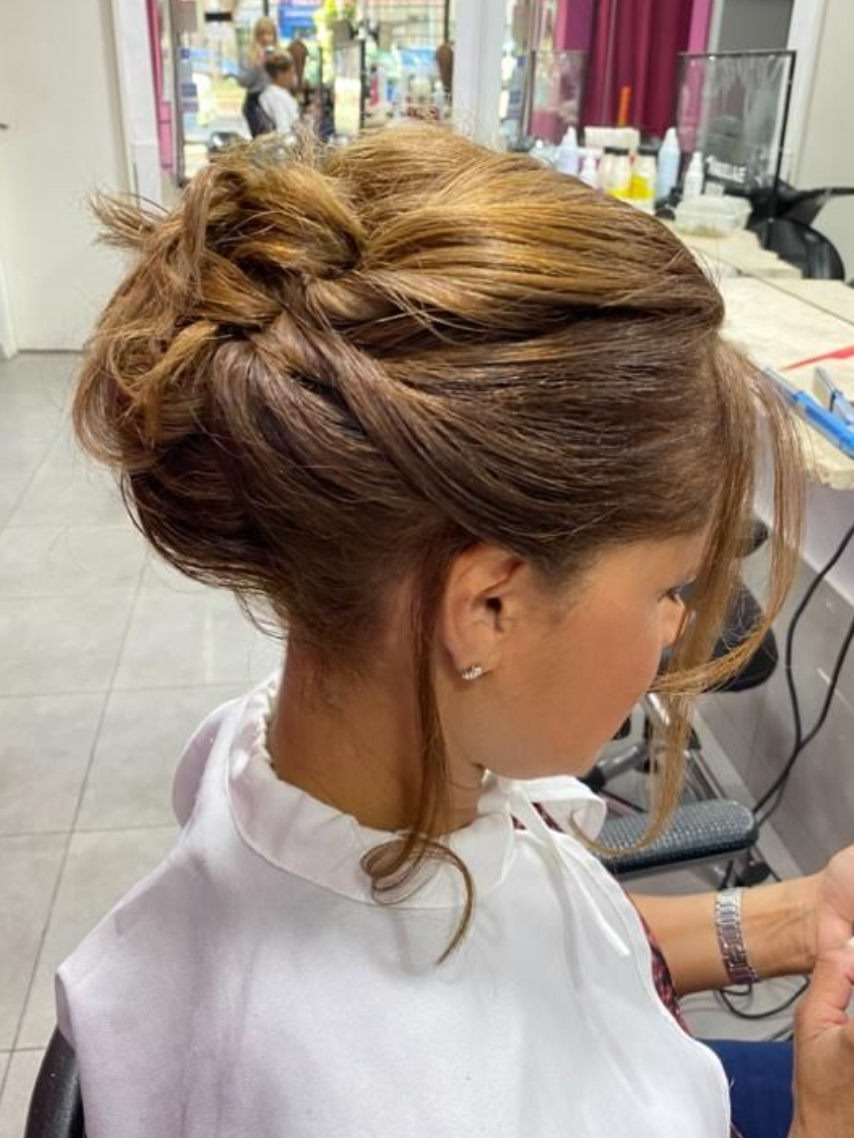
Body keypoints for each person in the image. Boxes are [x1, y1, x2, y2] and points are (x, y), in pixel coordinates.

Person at [63, 126, 854, 1138]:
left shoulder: (287, 751)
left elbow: (519, 943)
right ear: (487, 607)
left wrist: (797, 921)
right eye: (671, 585)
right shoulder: (407, 1101)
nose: (675, 629)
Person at [239, 15, 278, 137]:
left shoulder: (280, 54)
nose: (266, 38)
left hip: (276, 100)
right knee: (262, 141)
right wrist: (257, 66)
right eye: (262, 34)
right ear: (256, 36)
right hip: (255, 102)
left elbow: (288, 81)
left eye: (269, 34)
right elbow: (243, 82)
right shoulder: (248, 54)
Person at [260, 53, 300, 137]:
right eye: (291, 73)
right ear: (280, 74)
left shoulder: (268, 93)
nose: (293, 78)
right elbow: (283, 130)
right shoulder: (278, 97)